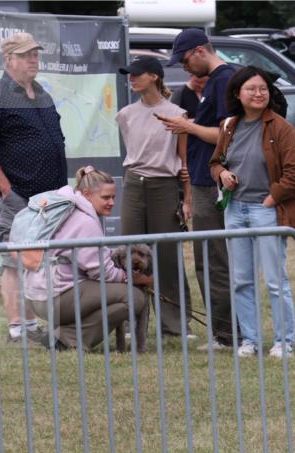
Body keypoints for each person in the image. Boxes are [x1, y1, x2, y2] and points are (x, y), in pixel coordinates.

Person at [0, 32, 66, 345]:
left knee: (42, 262)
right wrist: (7, 190)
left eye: (36, 54)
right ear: (9, 59)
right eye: (26, 55)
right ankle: (17, 329)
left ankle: (33, 325)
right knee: (14, 263)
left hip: (51, 198)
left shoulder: (42, 94)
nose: (33, 60)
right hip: (18, 198)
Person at [210, 67, 295, 359]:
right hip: (235, 210)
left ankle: (284, 342)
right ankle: (249, 340)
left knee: (276, 281)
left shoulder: (281, 128)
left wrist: (270, 199)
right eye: (251, 89)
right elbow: (215, 162)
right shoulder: (228, 126)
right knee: (241, 279)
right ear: (237, 94)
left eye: (262, 88)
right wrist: (222, 174)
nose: (258, 93)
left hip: (267, 211)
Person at [159, 28, 238, 350]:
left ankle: (227, 335)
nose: (185, 68)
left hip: (211, 184)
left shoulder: (222, 80)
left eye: (186, 60)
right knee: (210, 259)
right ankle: (228, 332)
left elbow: (226, 135)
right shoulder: (217, 81)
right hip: (205, 182)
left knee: (212, 260)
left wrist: (187, 126)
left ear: (201, 51)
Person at [26, 167, 150, 351]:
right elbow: (103, 272)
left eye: (113, 197)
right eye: (106, 197)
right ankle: (69, 339)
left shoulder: (66, 209)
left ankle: (59, 334)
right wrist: (135, 278)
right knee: (135, 298)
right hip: (55, 298)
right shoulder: (85, 222)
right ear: (86, 194)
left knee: (109, 295)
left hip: (36, 296)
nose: (111, 203)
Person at [115, 55, 194, 339]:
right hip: (134, 184)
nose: (131, 78)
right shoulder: (125, 114)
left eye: (137, 74)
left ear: (154, 77)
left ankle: (175, 325)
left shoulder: (177, 113)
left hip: (165, 184)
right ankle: (130, 324)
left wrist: (187, 199)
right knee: (128, 254)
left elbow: (183, 162)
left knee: (167, 255)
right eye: (129, 74)